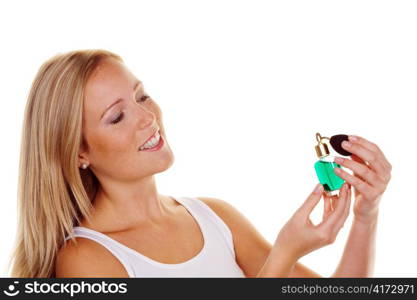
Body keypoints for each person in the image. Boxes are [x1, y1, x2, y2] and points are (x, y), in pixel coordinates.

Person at [9, 49, 392, 278]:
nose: (147, 117)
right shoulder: (85, 259)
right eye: (116, 116)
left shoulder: (215, 217)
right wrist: (283, 256)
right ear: (79, 153)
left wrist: (365, 215)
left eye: (142, 96)